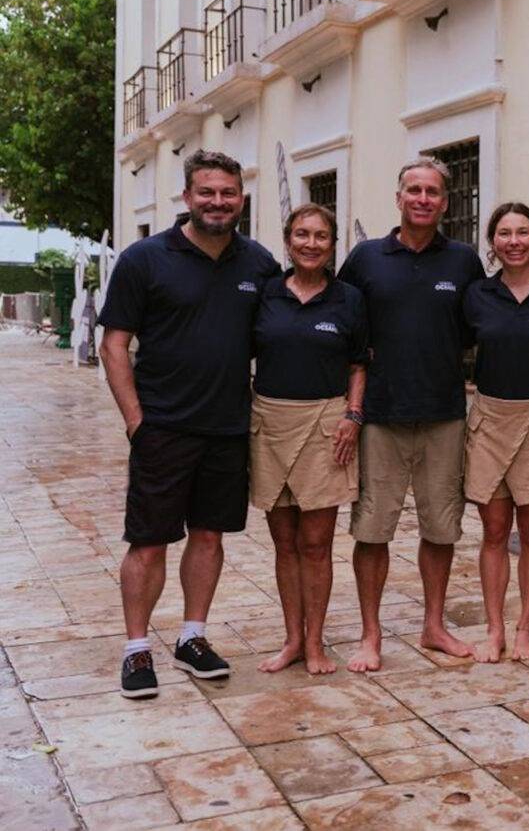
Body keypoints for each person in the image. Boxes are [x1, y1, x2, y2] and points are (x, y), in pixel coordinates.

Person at [99, 149, 280, 698]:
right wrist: (137, 422)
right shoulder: (145, 259)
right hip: (163, 428)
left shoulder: (259, 264)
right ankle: (136, 649)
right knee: (148, 541)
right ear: (187, 197)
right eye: (207, 192)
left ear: (241, 199)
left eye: (227, 193)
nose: (217, 202)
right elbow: (113, 345)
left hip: (227, 429)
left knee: (208, 536)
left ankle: (192, 637)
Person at [337, 158, 484, 672]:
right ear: (398, 197)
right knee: (372, 530)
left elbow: (474, 329)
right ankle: (370, 634)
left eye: (433, 192)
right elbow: (343, 324)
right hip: (380, 416)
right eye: (414, 190)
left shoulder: (463, 262)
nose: (423, 199)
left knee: (441, 529)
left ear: (445, 201)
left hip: (444, 415)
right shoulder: (365, 258)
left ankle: (434, 625)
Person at [250, 204, 367, 676]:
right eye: (302, 234)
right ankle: (292, 641)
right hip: (270, 424)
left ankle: (316, 642)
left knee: (316, 543)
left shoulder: (349, 299)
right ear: (288, 240)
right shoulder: (265, 293)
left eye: (321, 236)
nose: (311, 244)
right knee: (284, 543)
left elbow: (358, 365)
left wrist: (353, 415)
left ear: (333, 245)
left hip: (326, 426)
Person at [461, 202, 529, 662]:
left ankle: (525, 628)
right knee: (493, 531)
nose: (514, 241)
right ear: (493, 242)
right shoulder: (477, 295)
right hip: (489, 419)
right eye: (504, 233)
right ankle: (494, 630)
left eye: (523, 232)